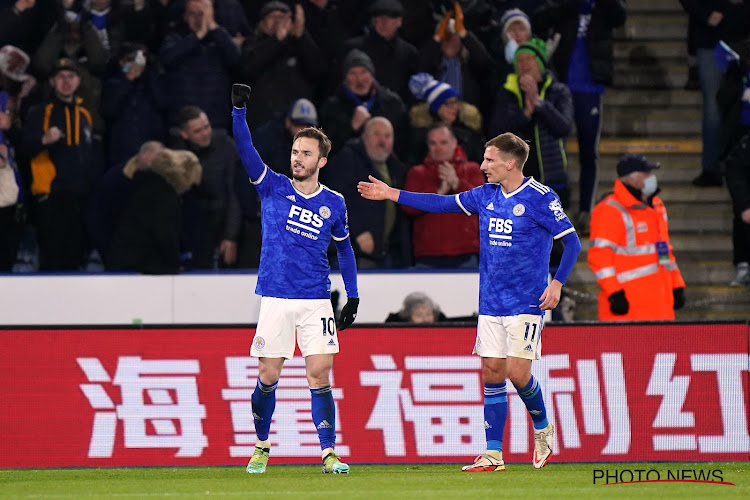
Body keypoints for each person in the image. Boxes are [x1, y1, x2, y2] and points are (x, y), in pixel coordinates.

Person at [358, 132, 582, 471]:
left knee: (519, 373)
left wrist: (557, 283)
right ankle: (493, 453)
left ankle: (543, 428)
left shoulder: (540, 197)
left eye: (490, 160)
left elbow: (573, 243)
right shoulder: (485, 195)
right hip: (491, 301)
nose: (483, 166)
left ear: (510, 163)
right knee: (492, 372)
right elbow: (442, 204)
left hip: (526, 301)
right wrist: (392, 193)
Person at [230, 83, 359, 475]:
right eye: (294, 152)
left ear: (321, 160)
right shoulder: (272, 186)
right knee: (268, 376)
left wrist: (352, 297)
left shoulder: (334, 203)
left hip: (316, 300)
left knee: (319, 373)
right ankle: (261, 445)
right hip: (276, 298)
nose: (297, 158)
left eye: (305, 153)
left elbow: (346, 251)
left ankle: (328, 453)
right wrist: (238, 110)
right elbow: (244, 148)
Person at [532, 0, 627, 232]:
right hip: (561, 83)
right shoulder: (568, 6)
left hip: (590, 87)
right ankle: (552, 209)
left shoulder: (603, 7)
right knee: (554, 148)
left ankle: (586, 210)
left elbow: (619, 16)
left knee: (588, 151)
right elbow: (541, 18)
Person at [588, 154, 686, 321]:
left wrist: (676, 284)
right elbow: (600, 257)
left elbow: (664, 251)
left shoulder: (656, 206)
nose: (652, 178)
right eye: (646, 174)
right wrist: (614, 293)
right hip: (628, 308)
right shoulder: (610, 210)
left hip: (660, 305)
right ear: (631, 179)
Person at [22, 58, 98, 271]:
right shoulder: (39, 112)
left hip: (79, 197)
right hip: (51, 195)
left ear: (78, 81)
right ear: (52, 82)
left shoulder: (84, 115)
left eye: (71, 77)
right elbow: (25, 150)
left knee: (75, 259)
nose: (66, 82)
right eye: (61, 77)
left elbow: (88, 153)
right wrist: (43, 141)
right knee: (52, 260)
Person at [489, 38, 573, 208]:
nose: (524, 64)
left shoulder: (558, 91)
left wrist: (539, 103)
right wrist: (525, 113)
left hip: (551, 178)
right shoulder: (508, 93)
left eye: (529, 59)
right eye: (519, 60)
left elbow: (564, 127)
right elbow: (497, 131)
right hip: (516, 180)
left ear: (540, 64)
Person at [325, 117, 411, 269]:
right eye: (376, 134)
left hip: (386, 253)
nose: (382, 141)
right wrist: (358, 232)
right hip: (354, 251)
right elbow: (335, 199)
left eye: (387, 136)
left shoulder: (396, 168)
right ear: (364, 137)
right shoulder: (346, 160)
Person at [107, 148, 202, 274]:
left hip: (126, 259)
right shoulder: (165, 195)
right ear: (185, 175)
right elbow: (165, 233)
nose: (188, 187)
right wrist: (175, 264)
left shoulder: (149, 185)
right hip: (137, 264)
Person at [170, 105, 242, 269]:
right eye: (198, 131)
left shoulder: (226, 146)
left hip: (222, 225)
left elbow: (235, 193)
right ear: (184, 134)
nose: (205, 133)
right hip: (191, 231)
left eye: (206, 127)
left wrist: (231, 236)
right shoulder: (176, 154)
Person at [404, 123, 485, 267]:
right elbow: (408, 207)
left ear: (454, 143)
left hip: (466, 256)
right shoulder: (417, 173)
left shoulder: (472, 170)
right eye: (433, 143)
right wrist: (438, 192)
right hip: (427, 257)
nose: (438, 148)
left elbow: (483, 203)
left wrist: (456, 183)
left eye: (443, 142)